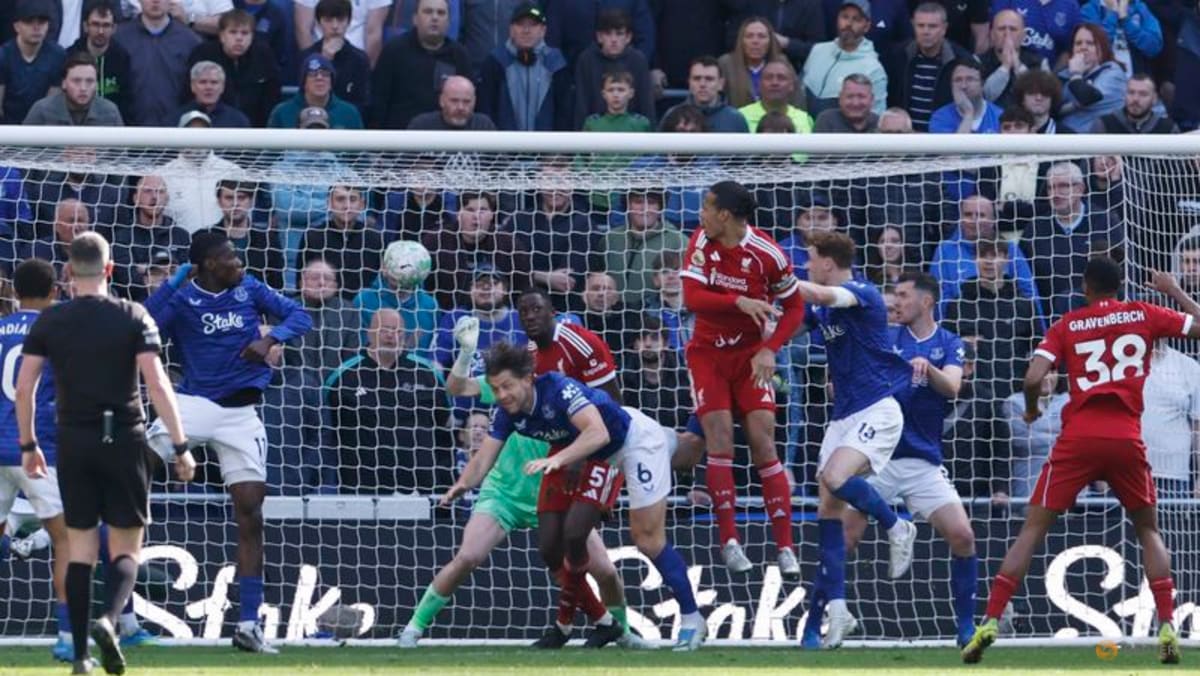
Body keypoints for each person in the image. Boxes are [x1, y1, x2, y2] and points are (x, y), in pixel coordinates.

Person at [961, 258, 1200, 665]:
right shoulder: (1144, 313)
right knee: (1148, 530)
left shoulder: (1068, 324)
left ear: (1085, 287)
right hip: (1126, 437)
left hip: (1078, 439)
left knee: (1032, 530)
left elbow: (1032, 378)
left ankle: (991, 620)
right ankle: (1166, 626)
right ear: (1119, 286)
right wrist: (1173, 290)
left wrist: (1032, 410)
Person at [403, 305, 648, 650]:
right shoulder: (508, 385)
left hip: (555, 489)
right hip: (504, 491)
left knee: (604, 571)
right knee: (468, 556)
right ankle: (412, 628)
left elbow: (600, 435)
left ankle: (620, 632)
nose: (502, 394)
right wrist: (466, 354)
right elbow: (457, 389)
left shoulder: (566, 391)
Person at [16, 233, 194, 674]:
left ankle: (80, 655)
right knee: (126, 545)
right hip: (124, 438)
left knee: (80, 549)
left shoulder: (51, 321)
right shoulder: (133, 315)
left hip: (72, 441)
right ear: (110, 269)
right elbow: (157, 383)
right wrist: (180, 446)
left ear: (68, 273)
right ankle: (110, 620)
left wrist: (28, 445)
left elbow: (25, 388)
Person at [469, 342, 706, 650]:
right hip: (593, 453)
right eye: (496, 389)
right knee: (559, 542)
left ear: (527, 377)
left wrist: (561, 459)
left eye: (506, 386)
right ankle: (585, 624)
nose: (501, 394)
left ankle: (691, 618)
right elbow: (465, 399)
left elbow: (598, 426)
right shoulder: (514, 409)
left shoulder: (562, 375)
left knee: (646, 538)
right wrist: (461, 485)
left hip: (628, 441)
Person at [143, 230, 312, 653]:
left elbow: (300, 315)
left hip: (241, 414)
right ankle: (121, 611)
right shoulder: (183, 299)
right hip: (193, 403)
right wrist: (176, 279)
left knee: (251, 514)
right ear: (208, 265)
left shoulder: (249, 287)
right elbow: (144, 324)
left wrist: (270, 339)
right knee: (133, 471)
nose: (238, 263)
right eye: (230, 258)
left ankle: (249, 625)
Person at [793, 230, 916, 649]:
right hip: (841, 419)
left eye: (810, 259)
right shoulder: (823, 308)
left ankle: (897, 525)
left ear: (828, 263)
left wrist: (780, 279)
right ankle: (835, 613)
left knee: (835, 476)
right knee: (828, 515)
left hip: (877, 409)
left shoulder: (862, 293)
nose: (806, 264)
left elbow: (822, 295)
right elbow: (793, 325)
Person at [842, 272, 977, 648]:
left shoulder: (948, 343)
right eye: (894, 295)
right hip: (878, 459)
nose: (896, 302)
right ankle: (821, 619)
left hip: (922, 462)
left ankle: (966, 629)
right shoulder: (884, 338)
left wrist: (927, 368)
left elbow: (952, 387)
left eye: (903, 295)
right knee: (845, 537)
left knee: (963, 536)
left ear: (926, 301)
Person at [679, 180, 807, 575]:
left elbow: (795, 308)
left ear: (725, 215)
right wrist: (739, 300)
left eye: (706, 207)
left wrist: (771, 349)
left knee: (763, 443)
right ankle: (730, 542)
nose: (700, 213)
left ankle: (785, 547)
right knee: (720, 439)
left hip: (752, 357)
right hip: (708, 356)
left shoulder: (768, 253)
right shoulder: (701, 241)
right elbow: (691, 298)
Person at [0, 260, 70, 661]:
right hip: (36, 447)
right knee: (66, 540)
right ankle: (67, 636)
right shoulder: (55, 331)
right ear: (54, 291)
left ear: (15, 291)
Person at [23, 51, 122, 126]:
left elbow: (122, 148)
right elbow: (21, 146)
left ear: (96, 84)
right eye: (76, 81)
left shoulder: (110, 113)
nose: (83, 88)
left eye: (89, 81)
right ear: (64, 83)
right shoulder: (42, 110)